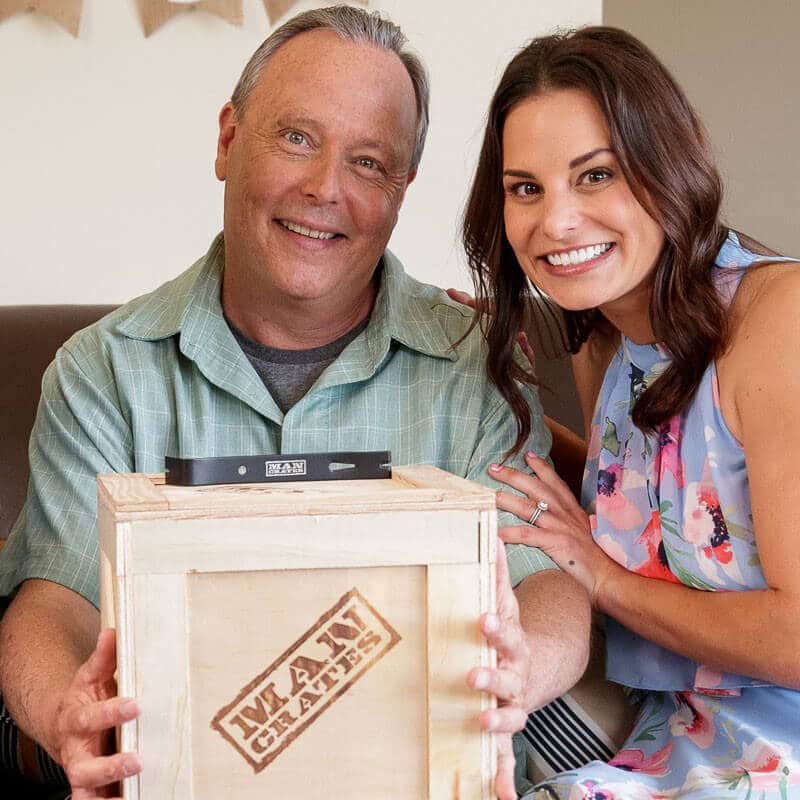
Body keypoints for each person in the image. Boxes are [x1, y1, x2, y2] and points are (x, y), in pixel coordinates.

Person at [0, 7, 591, 798]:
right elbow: (54, 601)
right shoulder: (102, 370)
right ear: (227, 139)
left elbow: (546, 582)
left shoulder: (470, 363)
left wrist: (529, 664)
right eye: (298, 138)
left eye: (370, 162)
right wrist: (66, 712)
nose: (325, 190)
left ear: (401, 190)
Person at [462, 24, 800, 799]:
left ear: (668, 162)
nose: (557, 222)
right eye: (526, 188)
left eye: (595, 175)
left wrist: (605, 582)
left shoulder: (781, 323)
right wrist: (472, 395)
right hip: (665, 735)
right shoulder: (605, 334)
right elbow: (650, 498)